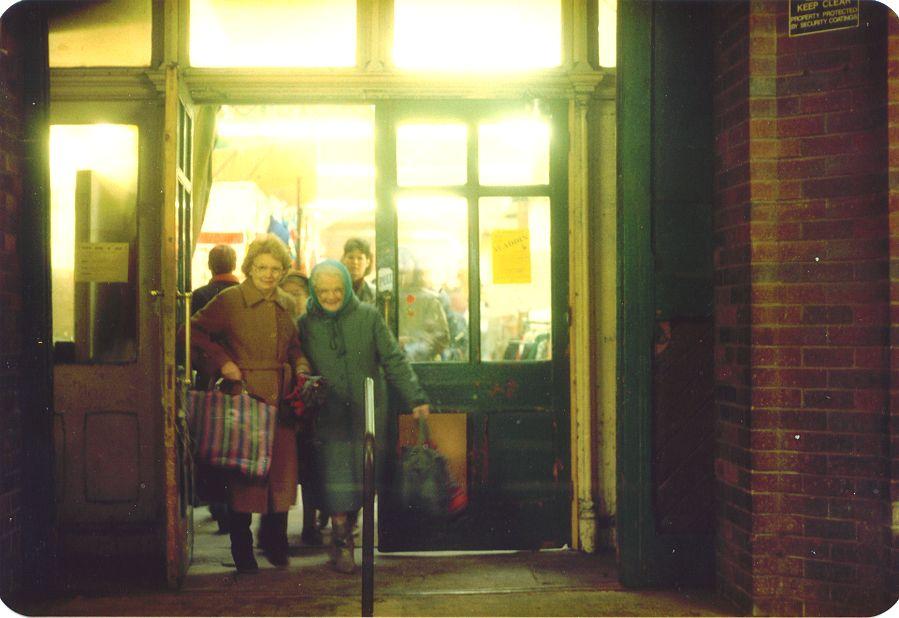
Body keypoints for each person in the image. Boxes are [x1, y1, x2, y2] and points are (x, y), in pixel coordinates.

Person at [298, 259, 430, 574]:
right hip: (328, 413)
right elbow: (296, 359)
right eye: (323, 291)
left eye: (337, 290)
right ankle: (343, 541)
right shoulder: (304, 323)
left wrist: (415, 397)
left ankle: (349, 529)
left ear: (347, 288)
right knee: (335, 477)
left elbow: (393, 358)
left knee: (363, 477)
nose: (330, 297)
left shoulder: (369, 317)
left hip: (367, 412)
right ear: (315, 292)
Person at [191, 234, 310, 573]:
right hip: (245, 397)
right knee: (244, 477)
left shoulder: (287, 303)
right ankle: (242, 551)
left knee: (280, 476)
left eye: (275, 269)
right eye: (261, 267)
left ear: (283, 270)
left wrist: (301, 366)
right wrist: (222, 362)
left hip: (282, 399)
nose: (268, 275)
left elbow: (295, 346)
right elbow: (192, 331)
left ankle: (276, 544)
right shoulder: (230, 300)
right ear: (249, 267)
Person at [190, 244, 240, 535]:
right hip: (237, 378)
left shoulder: (200, 296)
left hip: (209, 378)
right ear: (234, 265)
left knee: (212, 443)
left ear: (210, 266)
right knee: (235, 443)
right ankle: (233, 507)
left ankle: (219, 507)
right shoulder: (240, 295)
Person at [277, 269, 322, 546]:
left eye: (298, 292)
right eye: (288, 292)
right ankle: (279, 530)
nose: (293, 297)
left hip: (310, 403)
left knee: (310, 468)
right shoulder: (278, 320)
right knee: (284, 470)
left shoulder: (313, 324)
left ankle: (310, 523)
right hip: (283, 401)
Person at [397, 249, 451, 361]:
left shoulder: (429, 299)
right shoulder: (385, 299)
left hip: (420, 364)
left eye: (405, 269)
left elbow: (441, 337)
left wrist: (411, 344)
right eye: (399, 269)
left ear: (413, 271)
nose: (402, 273)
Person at [340, 237, 375, 304]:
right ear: (344, 259)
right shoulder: (334, 290)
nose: (355, 262)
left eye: (360, 258)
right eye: (351, 257)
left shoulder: (374, 293)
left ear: (368, 262)